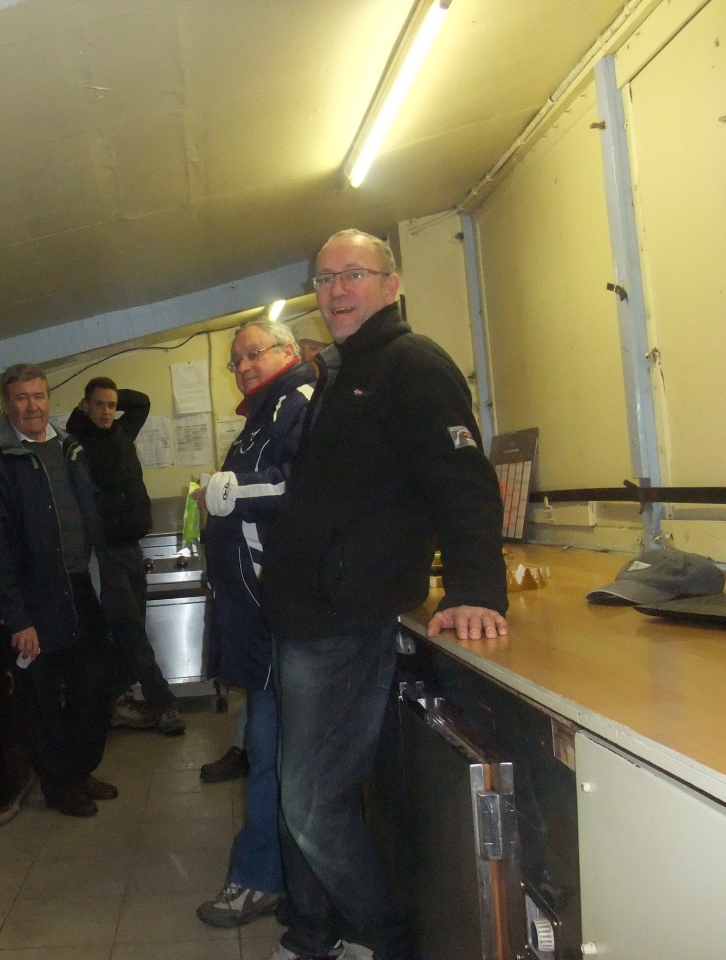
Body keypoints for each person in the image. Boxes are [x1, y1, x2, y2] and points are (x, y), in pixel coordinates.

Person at [261, 230, 509, 960]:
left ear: (392, 285)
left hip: (346, 617)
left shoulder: (412, 363)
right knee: (299, 794)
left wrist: (476, 589)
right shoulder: (343, 373)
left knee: (312, 807)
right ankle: (318, 933)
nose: (336, 291)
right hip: (306, 615)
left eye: (354, 275)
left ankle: (388, 941)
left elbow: (465, 483)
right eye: (325, 278)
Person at [193, 319, 315, 928]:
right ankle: (283, 881)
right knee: (269, 753)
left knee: (272, 757)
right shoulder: (263, 416)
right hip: (260, 616)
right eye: (235, 360)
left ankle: (266, 880)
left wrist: (222, 491)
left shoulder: (300, 403)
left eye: (252, 354)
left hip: (283, 616)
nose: (242, 367)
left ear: (288, 352)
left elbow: (300, 487)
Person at [0, 363, 118, 818]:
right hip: (33, 597)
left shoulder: (70, 449)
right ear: (6, 404)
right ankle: (59, 784)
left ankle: (80, 767)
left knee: (95, 685)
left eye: (39, 395)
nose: (32, 406)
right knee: (42, 698)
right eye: (21, 397)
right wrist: (18, 619)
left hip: (80, 586)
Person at [66, 377, 185, 736]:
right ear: (84, 405)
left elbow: (142, 401)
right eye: (98, 404)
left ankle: (118, 700)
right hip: (106, 552)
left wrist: (113, 394)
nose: (106, 412)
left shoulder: (121, 432)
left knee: (131, 629)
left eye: (111, 405)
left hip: (133, 546)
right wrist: (82, 412)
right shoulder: (77, 444)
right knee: (131, 631)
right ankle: (164, 703)